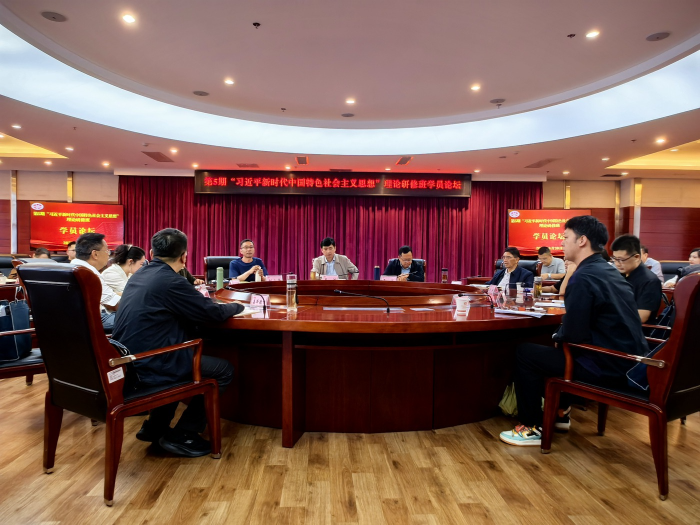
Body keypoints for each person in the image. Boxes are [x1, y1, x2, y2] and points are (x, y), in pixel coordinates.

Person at [500, 216, 648, 446]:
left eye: (565, 237)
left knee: (526, 353)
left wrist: (557, 336)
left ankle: (532, 426)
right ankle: (560, 413)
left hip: (607, 366)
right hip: (631, 363)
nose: (561, 243)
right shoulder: (608, 271)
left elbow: (573, 334)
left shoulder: (584, 277)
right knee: (553, 348)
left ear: (582, 241)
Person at [111, 228, 244, 457]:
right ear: (184, 257)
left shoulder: (139, 275)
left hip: (127, 361)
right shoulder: (172, 281)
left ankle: (155, 426)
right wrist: (238, 306)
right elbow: (211, 313)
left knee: (176, 354)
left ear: (151, 253)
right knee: (222, 370)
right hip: (147, 365)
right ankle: (184, 434)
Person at [70, 233, 120, 331]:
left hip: (73, 324)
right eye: (107, 251)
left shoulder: (71, 266)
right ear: (95, 254)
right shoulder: (88, 273)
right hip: (94, 323)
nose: (108, 255)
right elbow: (115, 305)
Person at [611, 234, 662, 324]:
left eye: (621, 260)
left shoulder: (650, 281)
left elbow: (641, 317)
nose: (617, 264)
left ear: (636, 257)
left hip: (633, 329)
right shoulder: (619, 275)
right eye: (614, 259)